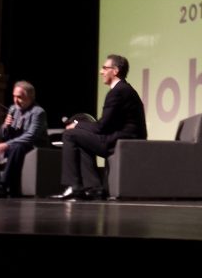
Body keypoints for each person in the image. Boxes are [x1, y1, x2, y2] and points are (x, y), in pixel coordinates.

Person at [55, 54, 147, 200]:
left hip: (120, 142)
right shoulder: (125, 89)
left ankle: (74, 186)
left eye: (105, 68)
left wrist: (77, 124)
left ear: (115, 71)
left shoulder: (117, 92)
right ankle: (94, 188)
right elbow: (106, 125)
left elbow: (101, 127)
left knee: (69, 135)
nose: (101, 71)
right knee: (79, 138)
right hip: (122, 139)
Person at [0, 80, 47, 198]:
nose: (16, 100)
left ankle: (3, 186)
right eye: (14, 96)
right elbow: (3, 134)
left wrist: (7, 144)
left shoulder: (38, 112)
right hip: (14, 146)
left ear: (30, 97)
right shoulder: (13, 109)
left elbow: (31, 135)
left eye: (19, 97)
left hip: (31, 146)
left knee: (17, 147)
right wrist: (5, 126)